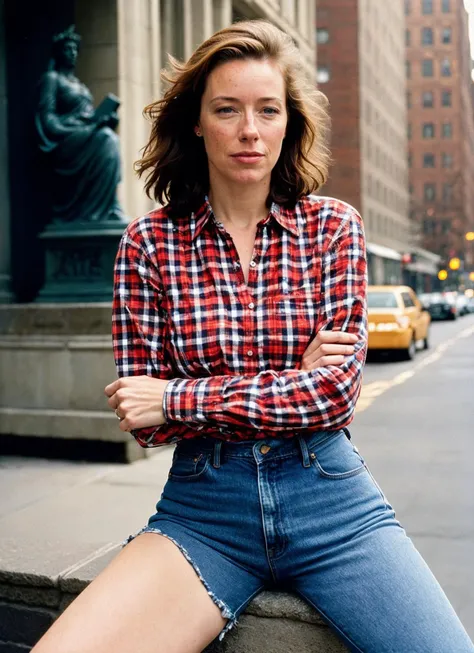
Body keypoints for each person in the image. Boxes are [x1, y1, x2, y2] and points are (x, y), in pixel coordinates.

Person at [32, 20, 474, 653]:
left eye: (268, 110)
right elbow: (142, 414)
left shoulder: (334, 231)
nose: (249, 131)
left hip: (333, 504)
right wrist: (292, 377)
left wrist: (181, 396)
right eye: (227, 110)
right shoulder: (148, 245)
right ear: (196, 121)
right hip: (204, 512)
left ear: (287, 123)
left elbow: (332, 400)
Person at [35, 25, 125, 223]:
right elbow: (47, 119)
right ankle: (97, 212)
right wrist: (83, 127)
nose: (73, 52)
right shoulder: (52, 79)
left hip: (86, 134)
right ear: (59, 52)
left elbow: (88, 115)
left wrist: (105, 120)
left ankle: (103, 208)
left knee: (109, 140)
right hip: (65, 138)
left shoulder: (80, 85)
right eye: (68, 48)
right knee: (107, 140)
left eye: (75, 48)